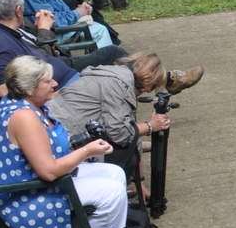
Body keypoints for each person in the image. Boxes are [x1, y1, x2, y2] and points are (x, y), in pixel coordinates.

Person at [0, 55, 127, 228]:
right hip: (26, 196)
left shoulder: (27, 105)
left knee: (115, 173)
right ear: (29, 88)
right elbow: (48, 172)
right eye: (48, 81)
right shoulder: (23, 117)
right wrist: (87, 151)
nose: (55, 83)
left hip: (36, 181)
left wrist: (84, 150)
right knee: (111, 192)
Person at [0, 0, 130, 97]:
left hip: (63, 71)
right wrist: (52, 97)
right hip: (62, 90)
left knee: (116, 55)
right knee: (116, 78)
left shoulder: (8, 30)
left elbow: (40, 57)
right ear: (18, 11)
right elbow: (3, 90)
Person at [47, 52, 175, 186]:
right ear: (148, 86)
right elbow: (120, 133)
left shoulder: (112, 74)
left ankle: (134, 186)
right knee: (123, 147)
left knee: (132, 136)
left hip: (53, 127)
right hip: (60, 141)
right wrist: (150, 125)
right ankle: (118, 189)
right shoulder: (118, 84)